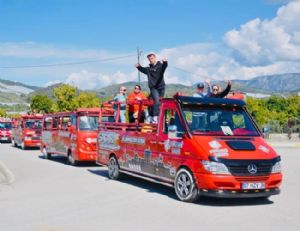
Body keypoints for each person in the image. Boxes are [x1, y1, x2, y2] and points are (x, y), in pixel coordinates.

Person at [135, 52, 168, 123]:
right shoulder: (148, 69)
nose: (150, 60)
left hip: (161, 87)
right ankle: (155, 117)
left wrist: (165, 62)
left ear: (155, 58)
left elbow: (164, 66)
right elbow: (142, 69)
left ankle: (158, 116)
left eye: (152, 58)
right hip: (153, 88)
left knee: (158, 102)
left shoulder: (160, 66)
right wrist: (138, 67)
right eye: (149, 59)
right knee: (156, 100)